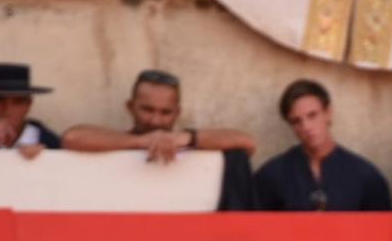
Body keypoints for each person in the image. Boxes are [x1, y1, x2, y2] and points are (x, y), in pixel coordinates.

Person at [61, 68, 257, 210]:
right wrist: (141, 142)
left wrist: (187, 138)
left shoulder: (185, 144)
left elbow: (246, 142)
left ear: (177, 113)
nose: (155, 120)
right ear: (130, 107)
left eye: (165, 112)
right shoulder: (117, 141)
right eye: (147, 110)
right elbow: (72, 137)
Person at [254, 79, 392, 211]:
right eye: (296, 121)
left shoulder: (366, 177)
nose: (306, 127)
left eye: (312, 115)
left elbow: (383, 225)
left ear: (328, 113)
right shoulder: (271, 176)